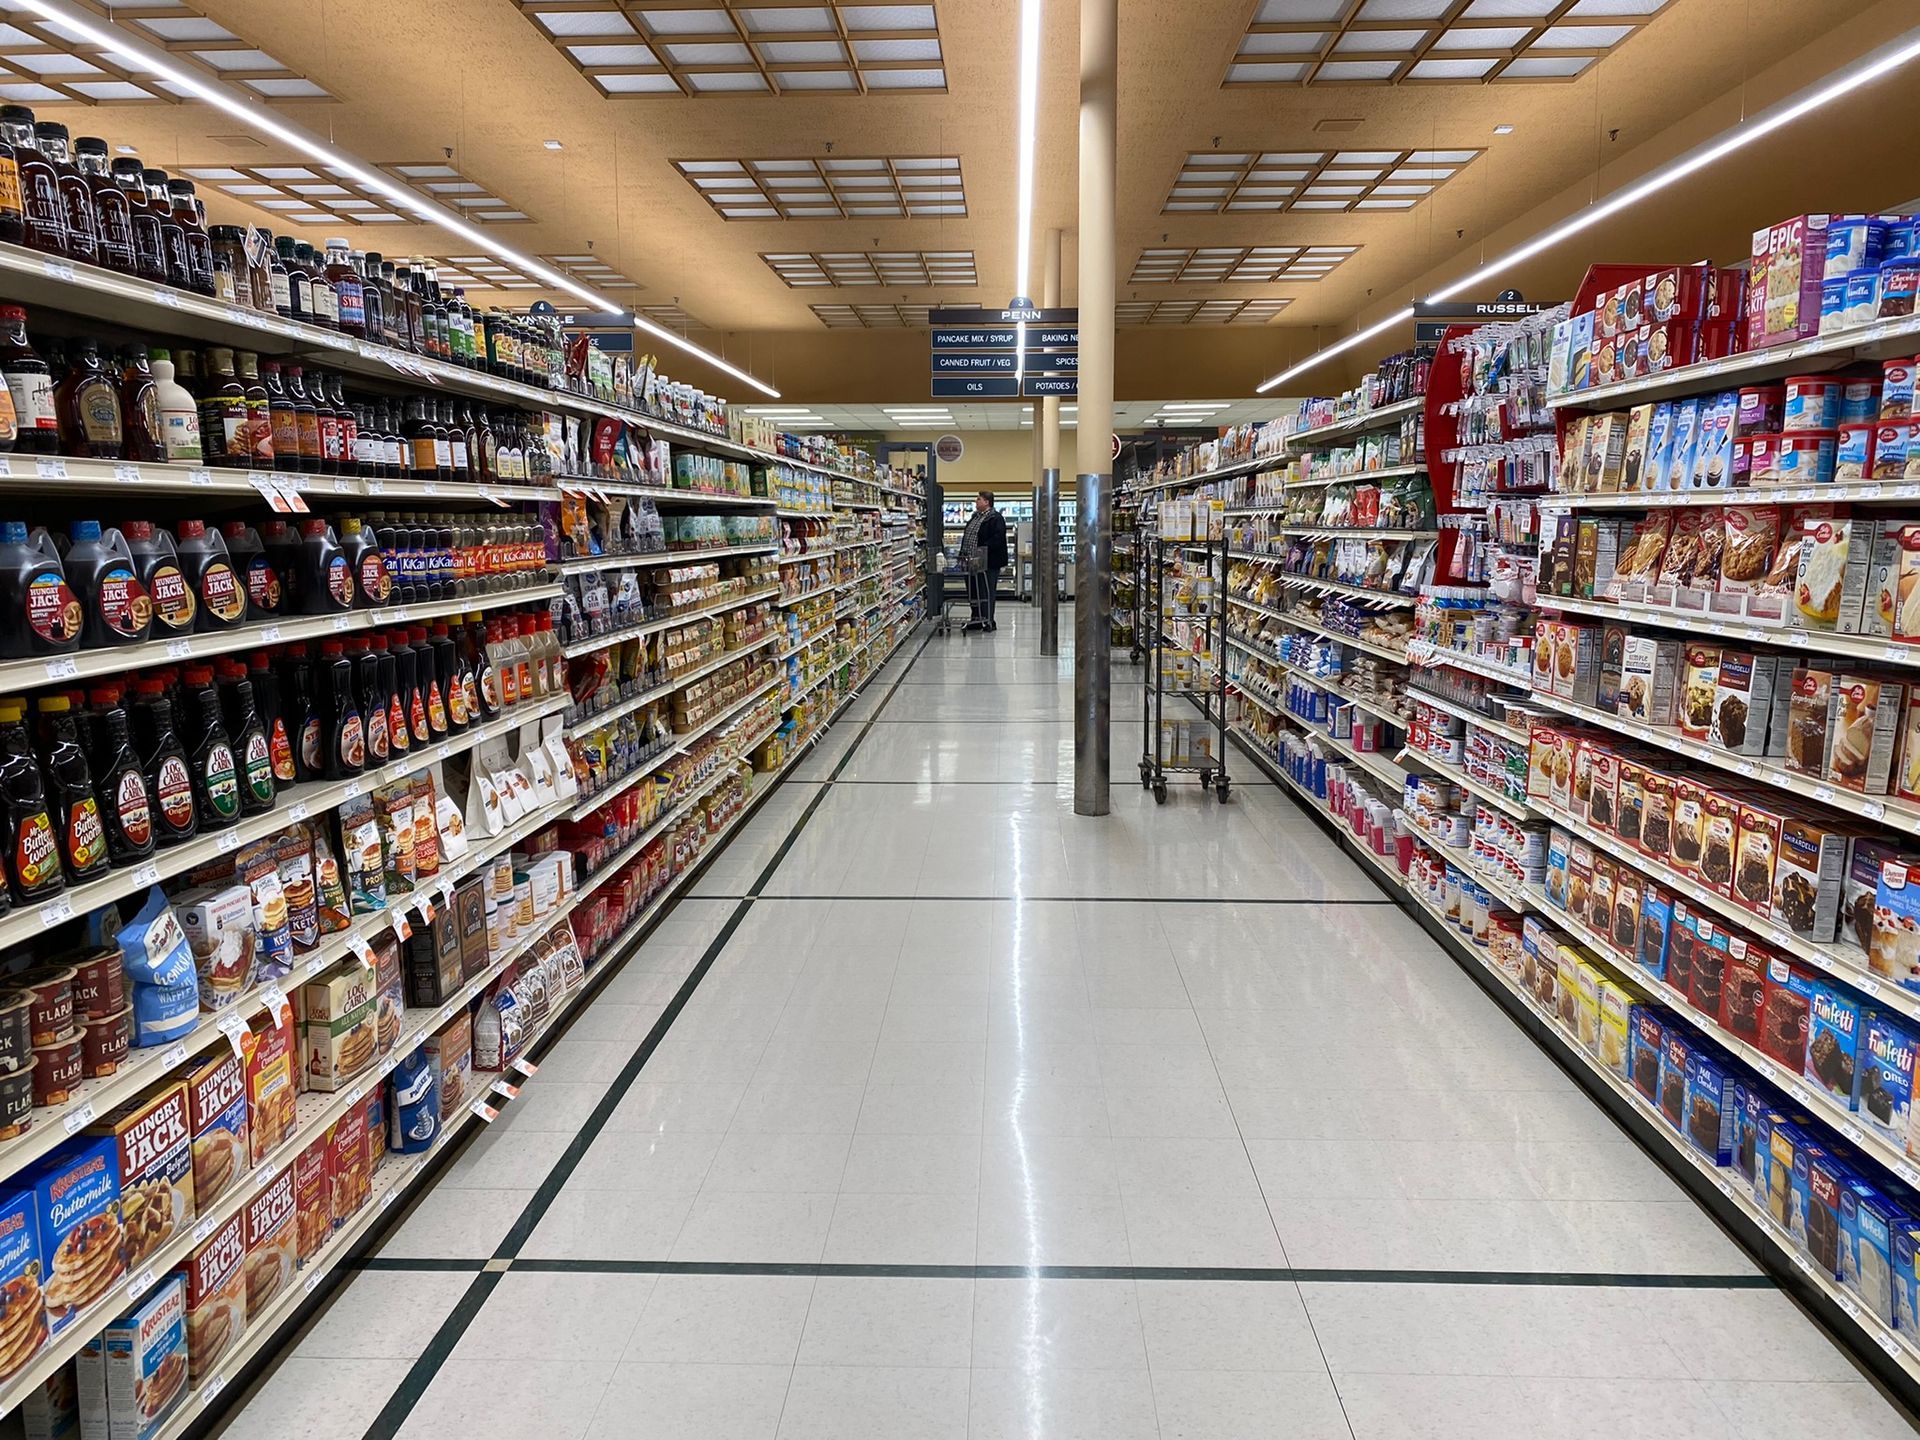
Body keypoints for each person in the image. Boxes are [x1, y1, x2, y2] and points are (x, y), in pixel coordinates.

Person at [959, 490, 1007, 632]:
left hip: (988, 562)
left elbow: (998, 538)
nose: (976, 502)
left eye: (978, 499)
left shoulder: (995, 518)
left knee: (986, 590)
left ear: (987, 502)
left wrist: (982, 549)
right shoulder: (975, 517)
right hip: (971, 561)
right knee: (973, 591)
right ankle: (976, 619)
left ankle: (988, 620)